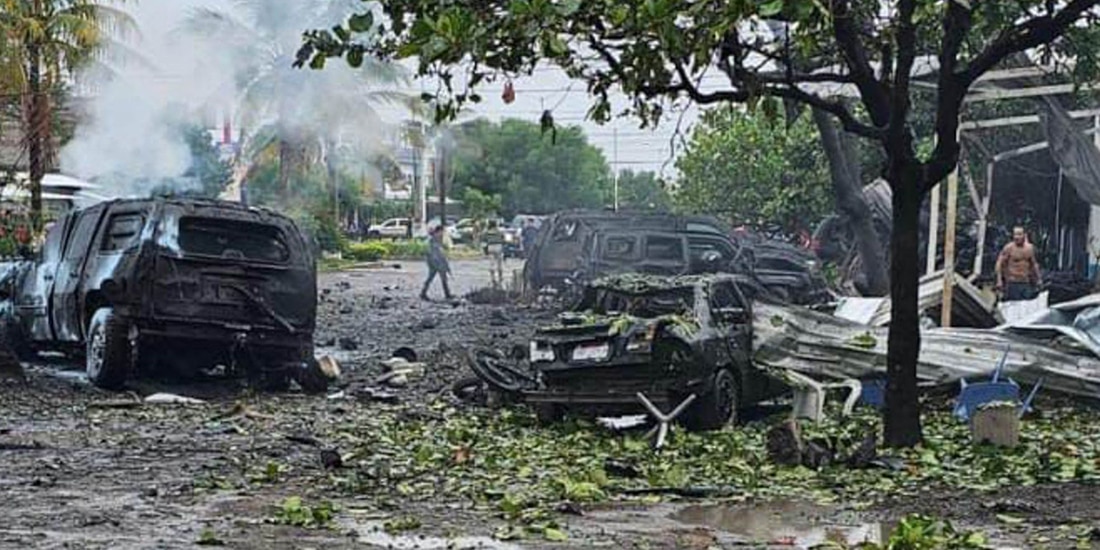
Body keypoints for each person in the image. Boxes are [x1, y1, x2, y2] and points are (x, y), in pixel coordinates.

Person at [995, 226, 1043, 302]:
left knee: (1026, 304)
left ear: (1024, 235)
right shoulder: (1009, 248)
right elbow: (999, 264)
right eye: (1015, 234)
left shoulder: (1030, 248)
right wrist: (999, 281)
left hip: (1025, 282)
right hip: (1013, 282)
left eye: (1019, 234)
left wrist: (1038, 279)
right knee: (1013, 304)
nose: (1017, 237)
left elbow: (1034, 264)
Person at [421, 225, 454, 301]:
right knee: (434, 278)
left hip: (437, 261)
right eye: (442, 231)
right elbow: (432, 252)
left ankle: (424, 293)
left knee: (441, 278)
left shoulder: (438, 239)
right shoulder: (432, 240)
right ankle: (447, 294)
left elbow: (442, 250)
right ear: (438, 231)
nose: (443, 233)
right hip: (435, 262)